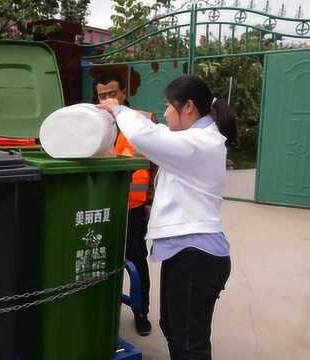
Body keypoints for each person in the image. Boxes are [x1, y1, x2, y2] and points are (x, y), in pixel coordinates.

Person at [97, 75, 235, 360]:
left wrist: (118, 109)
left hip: (196, 257)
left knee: (188, 343)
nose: (165, 113)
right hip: (187, 254)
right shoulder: (193, 138)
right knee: (172, 328)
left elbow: (148, 136)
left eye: (168, 106)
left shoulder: (201, 142)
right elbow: (158, 131)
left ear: (188, 107)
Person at [93, 72, 154, 336]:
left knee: (137, 260)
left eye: (112, 93)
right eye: (102, 95)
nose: (107, 99)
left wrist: (151, 201)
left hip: (133, 207)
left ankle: (141, 311)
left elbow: (156, 163)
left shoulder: (141, 121)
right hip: (102, 206)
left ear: (124, 94)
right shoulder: (91, 122)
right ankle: (106, 306)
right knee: (102, 259)